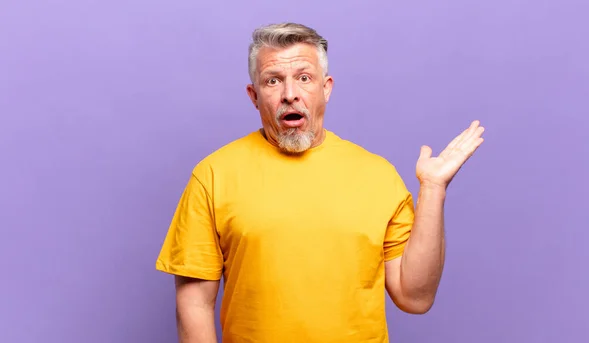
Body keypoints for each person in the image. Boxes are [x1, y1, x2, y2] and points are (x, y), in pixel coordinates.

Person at [155, 22, 485, 343]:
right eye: (273, 81)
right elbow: (194, 304)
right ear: (254, 95)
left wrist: (433, 190)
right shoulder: (213, 175)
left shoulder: (377, 175)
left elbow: (415, 297)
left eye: (303, 78)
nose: (289, 94)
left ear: (325, 88)